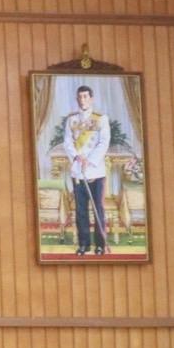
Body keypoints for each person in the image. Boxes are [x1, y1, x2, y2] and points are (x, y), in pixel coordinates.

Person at [62, 83, 111, 255]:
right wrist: (77, 156)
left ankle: (100, 244)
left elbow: (103, 142)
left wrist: (89, 160)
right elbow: (67, 142)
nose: (82, 100)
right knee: (81, 210)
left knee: (98, 209)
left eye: (85, 96)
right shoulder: (71, 120)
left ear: (91, 99)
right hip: (78, 171)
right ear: (77, 99)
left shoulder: (101, 119)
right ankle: (84, 244)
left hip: (95, 171)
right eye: (80, 97)